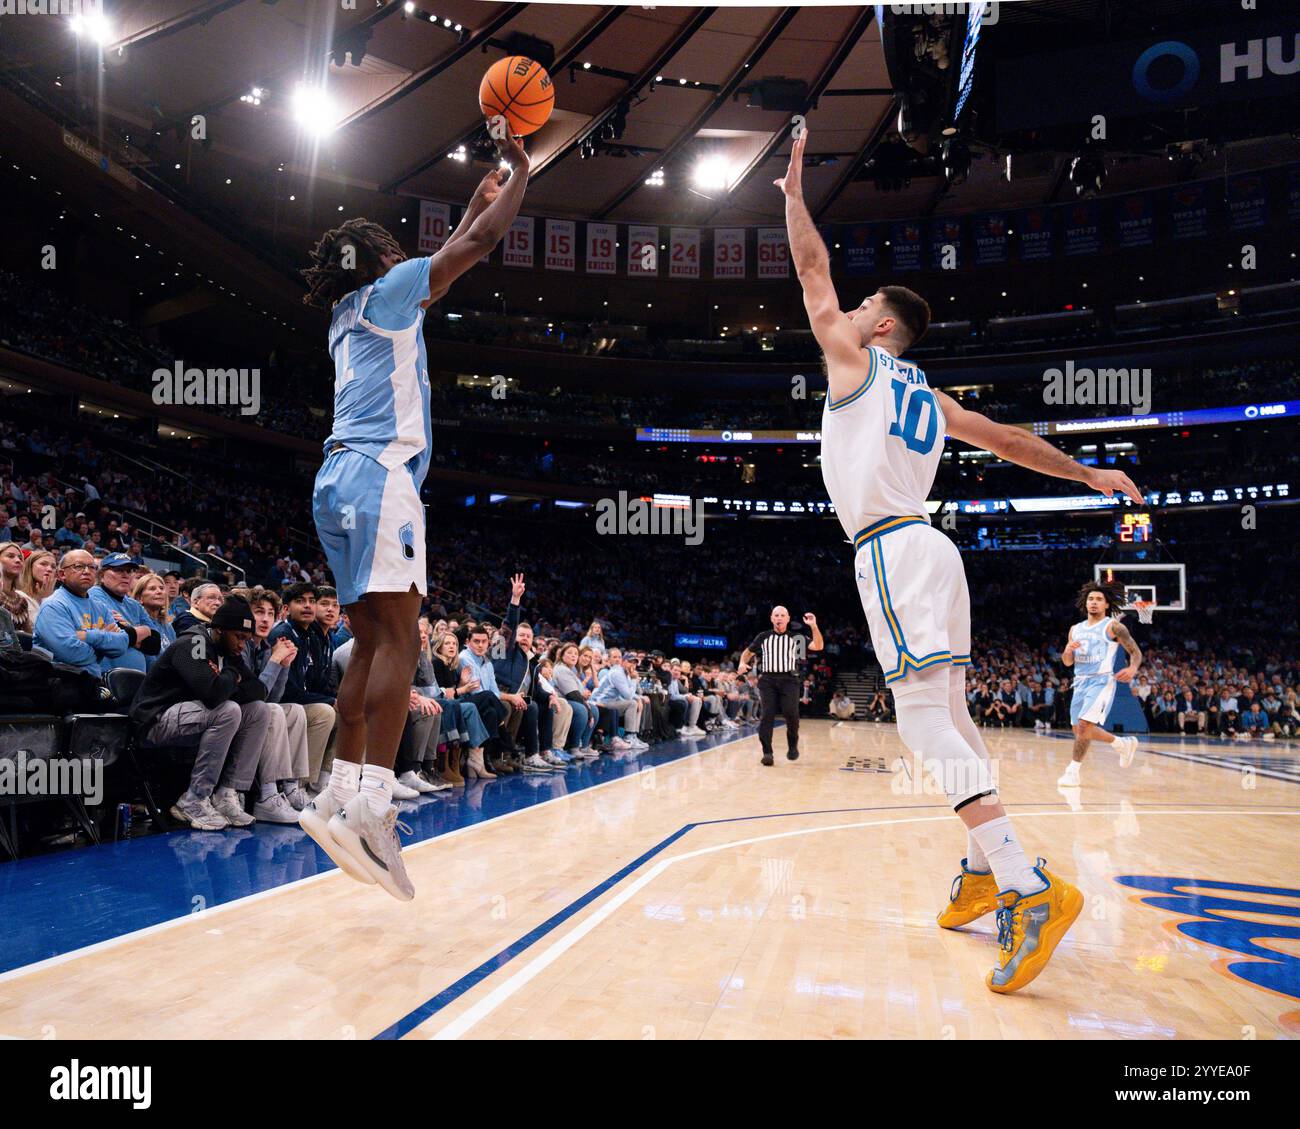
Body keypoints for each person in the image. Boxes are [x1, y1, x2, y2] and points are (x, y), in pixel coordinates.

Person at [780, 127, 1143, 993]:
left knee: (920, 724)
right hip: (938, 551)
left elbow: (809, 272)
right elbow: (1014, 442)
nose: (851, 310)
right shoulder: (933, 398)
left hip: (891, 552)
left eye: (864, 305)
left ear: (880, 325)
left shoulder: (857, 361)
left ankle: (1027, 884)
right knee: (951, 713)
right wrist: (1089, 470)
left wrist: (793, 196)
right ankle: (986, 864)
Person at [297, 135, 531, 900]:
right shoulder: (397, 289)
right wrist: (521, 176)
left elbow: (459, 239)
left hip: (333, 480)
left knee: (367, 640)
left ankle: (336, 793)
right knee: (401, 636)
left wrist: (477, 192)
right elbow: (482, 241)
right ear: (381, 258)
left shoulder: (345, 309)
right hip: (380, 477)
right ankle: (374, 804)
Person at [130, 597, 274, 831]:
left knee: (258, 711)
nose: (241, 645)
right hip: (154, 720)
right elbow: (212, 693)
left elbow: (258, 690)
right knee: (228, 710)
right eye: (238, 637)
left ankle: (227, 793)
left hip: (190, 718)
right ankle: (194, 798)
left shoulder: (229, 650)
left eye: (246, 639)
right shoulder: (195, 641)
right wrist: (229, 676)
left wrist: (227, 680)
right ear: (219, 629)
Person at [1058, 581, 1142, 786]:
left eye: (1098, 599)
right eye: (1091, 599)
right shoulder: (1075, 629)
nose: (1094, 602)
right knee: (1079, 731)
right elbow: (1068, 662)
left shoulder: (1113, 626)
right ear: (1085, 603)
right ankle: (1122, 744)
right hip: (1080, 682)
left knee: (1085, 726)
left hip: (1102, 681)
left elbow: (1135, 652)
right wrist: (1068, 651)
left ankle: (1073, 771)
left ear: (1106, 605)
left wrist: (1132, 668)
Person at [737, 607, 823, 766]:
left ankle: (792, 745)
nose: (779, 618)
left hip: (789, 680)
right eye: (776, 615)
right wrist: (742, 662)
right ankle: (767, 753)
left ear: (788, 619)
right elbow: (747, 653)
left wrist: (813, 626)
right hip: (768, 680)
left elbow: (818, 646)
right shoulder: (763, 637)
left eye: (782, 615)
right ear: (771, 618)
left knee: (791, 714)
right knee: (767, 714)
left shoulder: (796, 637)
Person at [33, 550, 130, 676]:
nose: (87, 571)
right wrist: (103, 647)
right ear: (62, 574)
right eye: (78, 566)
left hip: (92, 683)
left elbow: (122, 644)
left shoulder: (100, 607)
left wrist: (87, 636)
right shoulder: (53, 606)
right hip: (59, 683)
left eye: (92, 567)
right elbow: (70, 653)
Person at [88, 553, 162, 674]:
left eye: (129, 571)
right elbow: (115, 633)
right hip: (105, 678)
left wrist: (129, 629)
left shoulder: (135, 605)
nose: (125, 575)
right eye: (119, 570)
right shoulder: (94, 595)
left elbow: (155, 644)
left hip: (136, 680)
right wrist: (143, 631)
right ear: (101, 576)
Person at [0, 541, 39, 634]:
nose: (18, 560)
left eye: (20, 558)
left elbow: (29, 636)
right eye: (10, 556)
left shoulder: (22, 601)